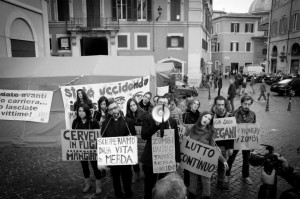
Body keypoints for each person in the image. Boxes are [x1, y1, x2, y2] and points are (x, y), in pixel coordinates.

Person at [141, 96, 181, 199]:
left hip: (165, 158)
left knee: (164, 184)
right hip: (150, 158)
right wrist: (155, 126)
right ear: (156, 104)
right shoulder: (148, 118)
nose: (163, 105)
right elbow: (144, 136)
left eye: (165, 103)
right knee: (149, 183)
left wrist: (177, 158)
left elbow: (175, 140)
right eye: (160, 102)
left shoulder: (172, 121)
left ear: (168, 106)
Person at [185, 111, 228, 199]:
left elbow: (213, 149)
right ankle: (191, 196)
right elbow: (183, 144)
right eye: (205, 117)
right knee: (192, 180)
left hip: (205, 161)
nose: (206, 120)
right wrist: (185, 141)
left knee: (206, 180)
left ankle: (206, 196)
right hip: (193, 160)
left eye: (209, 119)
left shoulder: (211, 132)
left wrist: (223, 160)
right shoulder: (191, 129)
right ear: (201, 116)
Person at [101, 99, 136, 198]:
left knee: (127, 178)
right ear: (108, 111)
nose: (114, 111)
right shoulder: (105, 123)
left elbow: (133, 137)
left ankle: (128, 193)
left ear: (119, 107)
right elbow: (103, 140)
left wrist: (131, 139)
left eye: (115, 108)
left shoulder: (128, 122)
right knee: (115, 178)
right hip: (113, 159)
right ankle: (118, 194)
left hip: (126, 158)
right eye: (111, 109)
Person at [226, 95, 256, 187]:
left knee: (246, 159)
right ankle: (227, 175)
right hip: (235, 141)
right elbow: (229, 129)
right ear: (241, 103)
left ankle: (245, 176)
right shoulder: (233, 114)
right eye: (245, 104)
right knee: (231, 159)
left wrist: (253, 144)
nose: (247, 106)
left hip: (246, 141)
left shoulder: (253, 114)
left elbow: (253, 129)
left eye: (249, 104)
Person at [72, 103, 102, 195]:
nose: (81, 113)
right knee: (84, 167)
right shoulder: (75, 122)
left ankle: (98, 186)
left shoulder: (94, 122)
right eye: (79, 111)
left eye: (83, 111)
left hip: (93, 149)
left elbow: (98, 137)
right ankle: (87, 184)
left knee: (95, 167)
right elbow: (73, 136)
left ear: (87, 111)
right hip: (81, 149)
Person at [210, 95, 234, 191]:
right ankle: (207, 182)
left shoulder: (230, 116)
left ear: (225, 105)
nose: (220, 107)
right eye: (218, 105)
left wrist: (231, 147)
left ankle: (220, 183)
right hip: (212, 146)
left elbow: (232, 134)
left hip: (224, 146)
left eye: (222, 105)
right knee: (210, 165)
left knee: (222, 166)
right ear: (215, 105)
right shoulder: (211, 116)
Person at [125, 98, 147, 183]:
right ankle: (137, 174)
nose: (133, 107)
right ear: (128, 107)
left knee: (144, 156)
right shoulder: (127, 116)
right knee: (134, 158)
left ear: (137, 105)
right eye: (130, 106)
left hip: (143, 140)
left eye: (134, 105)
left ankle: (145, 173)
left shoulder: (144, 114)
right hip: (133, 141)